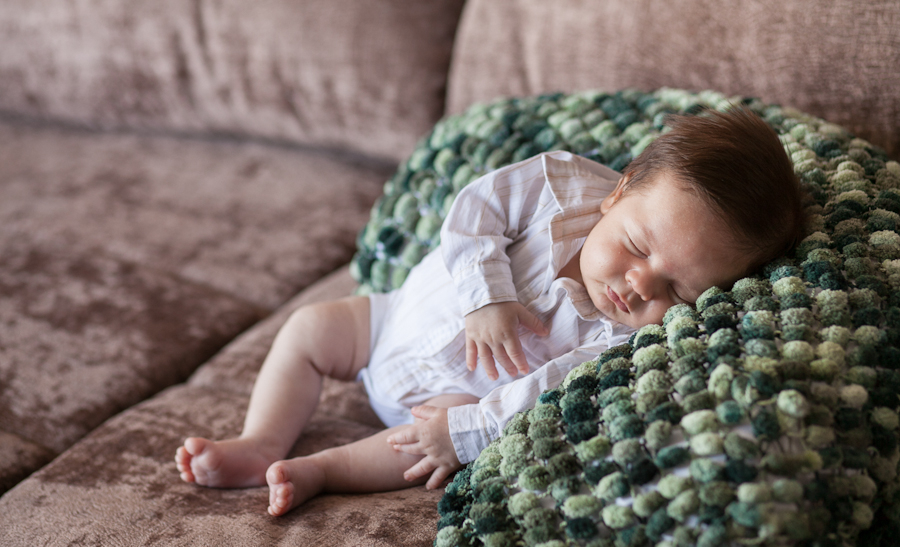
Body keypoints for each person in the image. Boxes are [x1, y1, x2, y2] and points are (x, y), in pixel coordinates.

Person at [175, 107, 804, 516]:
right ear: (619, 190)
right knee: (308, 328)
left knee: (429, 442)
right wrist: (489, 296)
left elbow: (550, 389)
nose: (640, 286)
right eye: (638, 246)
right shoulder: (560, 187)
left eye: (681, 291)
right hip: (391, 323)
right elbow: (478, 209)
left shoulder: (622, 339)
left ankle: (321, 469)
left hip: (458, 399)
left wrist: (468, 431)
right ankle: (262, 440)